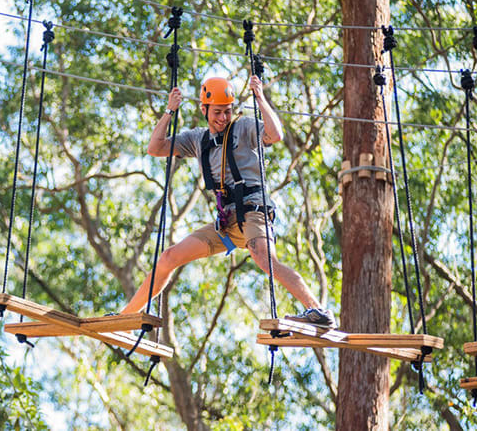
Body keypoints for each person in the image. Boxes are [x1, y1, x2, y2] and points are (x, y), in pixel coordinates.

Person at [120, 75, 335, 328]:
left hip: (253, 210)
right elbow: (155, 148)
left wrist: (260, 97)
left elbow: (275, 134)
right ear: (204, 110)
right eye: (217, 112)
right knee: (168, 257)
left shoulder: (243, 128)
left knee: (265, 259)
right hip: (226, 223)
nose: (223, 118)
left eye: (228, 111)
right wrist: (170, 111)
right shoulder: (197, 140)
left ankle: (317, 311)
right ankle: (126, 316)